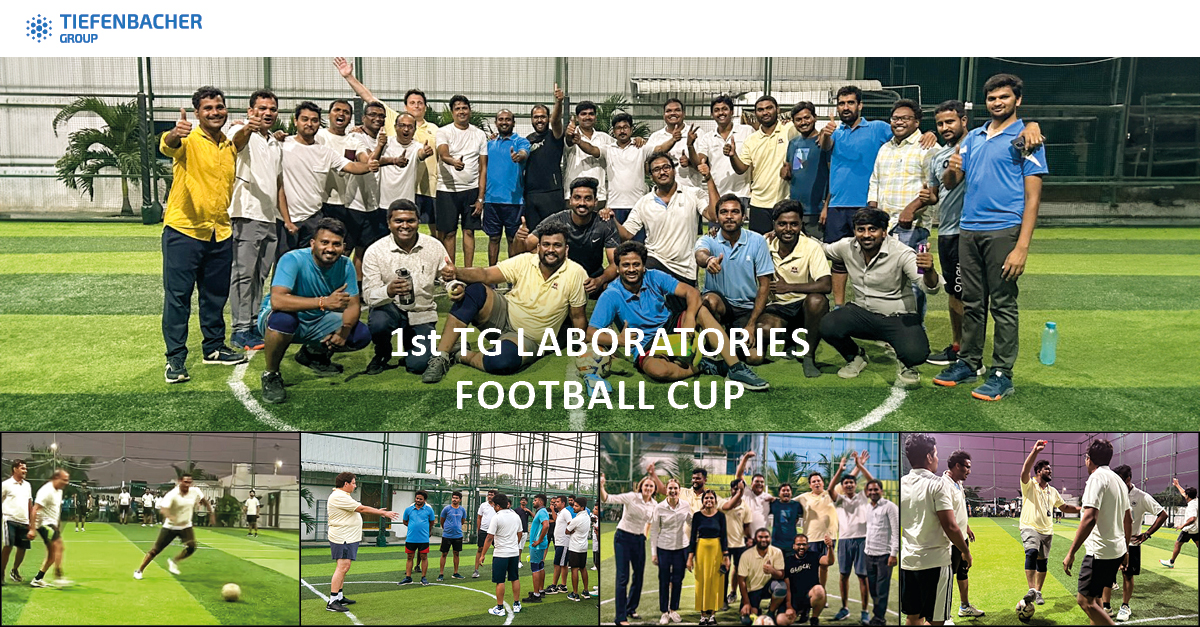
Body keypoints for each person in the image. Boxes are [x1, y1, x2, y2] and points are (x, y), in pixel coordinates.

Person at [934, 73, 1049, 401]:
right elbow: (951, 182)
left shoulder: (1028, 138)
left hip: (1004, 230)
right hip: (969, 229)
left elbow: (1034, 198)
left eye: (1004, 97)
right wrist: (953, 167)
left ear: (1018, 100)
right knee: (972, 301)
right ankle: (969, 361)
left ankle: (1002, 373)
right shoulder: (974, 138)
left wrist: (1022, 247)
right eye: (992, 98)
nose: (998, 103)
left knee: (1002, 303)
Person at [583, 240, 771, 393]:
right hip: (646, 343)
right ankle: (706, 366)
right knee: (657, 370)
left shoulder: (654, 276)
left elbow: (692, 292)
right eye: (625, 265)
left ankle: (736, 368)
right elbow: (590, 333)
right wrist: (618, 340)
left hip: (670, 327)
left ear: (643, 266)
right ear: (617, 268)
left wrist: (689, 318)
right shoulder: (611, 295)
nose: (631, 269)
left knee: (701, 311)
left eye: (636, 264)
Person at [816, 86, 938, 309]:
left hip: (867, 208)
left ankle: (894, 318)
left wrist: (930, 133)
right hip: (839, 204)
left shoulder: (878, 128)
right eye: (841, 103)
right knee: (839, 260)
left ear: (860, 105)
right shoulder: (836, 131)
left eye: (850, 102)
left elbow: (906, 132)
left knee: (884, 264)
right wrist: (825, 134)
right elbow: (826, 149)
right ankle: (840, 307)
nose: (846, 107)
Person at [160, 86, 250, 384]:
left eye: (219, 107)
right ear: (197, 113)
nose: (215, 112)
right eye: (208, 108)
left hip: (220, 232)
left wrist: (252, 127)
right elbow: (167, 145)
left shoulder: (228, 145)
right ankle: (175, 359)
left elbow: (241, 140)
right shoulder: (187, 139)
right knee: (178, 298)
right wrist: (176, 133)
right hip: (184, 231)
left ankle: (213, 348)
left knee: (214, 297)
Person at [422, 224, 588, 383]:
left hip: (529, 339)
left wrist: (582, 345)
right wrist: (457, 272)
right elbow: (486, 274)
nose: (550, 250)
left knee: (501, 362)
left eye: (557, 245)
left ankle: (459, 353)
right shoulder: (525, 261)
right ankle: (441, 356)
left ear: (566, 250)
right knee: (475, 290)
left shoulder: (576, 273)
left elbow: (577, 316)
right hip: (503, 315)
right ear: (538, 247)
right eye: (546, 244)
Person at [819, 208, 943, 387]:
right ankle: (856, 356)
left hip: (897, 317)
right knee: (828, 324)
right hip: (862, 314)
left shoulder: (902, 253)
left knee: (916, 353)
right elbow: (821, 248)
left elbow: (930, 288)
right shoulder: (847, 246)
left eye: (872, 229)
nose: (866, 235)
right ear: (855, 231)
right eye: (861, 229)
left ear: (884, 232)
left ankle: (907, 363)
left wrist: (929, 270)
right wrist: (784, 234)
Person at [257, 218, 372, 404]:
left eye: (336, 244)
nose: (330, 248)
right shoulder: (292, 259)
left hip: (318, 318)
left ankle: (312, 354)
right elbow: (278, 301)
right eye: (324, 242)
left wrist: (344, 331)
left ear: (343, 246)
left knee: (360, 334)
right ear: (313, 243)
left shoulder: (345, 264)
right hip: (279, 318)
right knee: (283, 321)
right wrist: (323, 302)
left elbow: (353, 304)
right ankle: (271, 374)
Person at [332, 58, 440, 233]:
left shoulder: (435, 129)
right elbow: (369, 99)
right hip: (387, 196)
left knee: (430, 232)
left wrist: (424, 153)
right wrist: (349, 76)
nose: (416, 106)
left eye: (420, 103)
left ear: (425, 107)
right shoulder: (392, 119)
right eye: (412, 102)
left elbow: (427, 152)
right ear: (405, 107)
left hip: (428, 189)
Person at [277, 101, 378, 257]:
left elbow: (351, 166)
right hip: (285, 219)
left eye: (314, 120)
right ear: (295, 121)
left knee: (310, 264)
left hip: (313, 218)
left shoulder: (326, 152)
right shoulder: (282, 145)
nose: (309, 124)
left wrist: (368, 166)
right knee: (283, 264)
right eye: (304, 119)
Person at [361, 200, 446, 376]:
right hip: (392, 310)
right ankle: (382, 352)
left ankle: (416, 342)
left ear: (418, 222)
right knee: (379, 322)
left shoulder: (434, 246)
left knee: (419, 366)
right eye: (399, 221)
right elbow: (369, 296)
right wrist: (388, 291)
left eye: (410, 221)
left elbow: (448, 277)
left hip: (422, 312)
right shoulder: (375, 251)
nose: (405, 226)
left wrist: (455, 286)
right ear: (389, 223)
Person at [228, 89, 282, 352]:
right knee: (243, 274)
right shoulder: (239, 131)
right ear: (250, 111)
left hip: (269, 216)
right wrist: (247, 128)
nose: (267, 113)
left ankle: (251, 323)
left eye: (272, 109)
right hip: (246, 214)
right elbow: (236, 143)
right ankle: (239, 329)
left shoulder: (273, 142)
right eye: (261, 108)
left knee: (259, 275)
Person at [616, 153, 719, 287]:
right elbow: (626, 234)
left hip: (685, 269)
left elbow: (714, 216)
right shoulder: (644, 202)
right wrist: (611, 219)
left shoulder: (693, 194)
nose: (662, 172)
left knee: (686, 307)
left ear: (674, 170)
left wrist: (709, 178)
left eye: (666, 167)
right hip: (655, 262)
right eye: (656, 170)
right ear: (651, 176)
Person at [900, 434, 971, 627]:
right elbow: (950, 526)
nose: (938, 459)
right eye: (936, 454)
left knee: (913, 617)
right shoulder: (937, 484)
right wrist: (965, 551)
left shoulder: (901, 484)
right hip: (935, 563)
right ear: (929, 457)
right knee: (937, 620)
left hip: (908, 562)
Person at [695, 195, 774, 363]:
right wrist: (709, 260)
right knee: (709, 300)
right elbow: (700, 254)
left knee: (755, 359)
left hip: (746, 308)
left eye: (735, 212)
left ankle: (726, 342)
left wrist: (751, 324)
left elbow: (764, 286)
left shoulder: (757, 241)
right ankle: (716, 339)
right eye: (724, 212)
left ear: (744, 216)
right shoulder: (709, 239)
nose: (729, 216)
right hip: (721, 305)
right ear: (717, 217)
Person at [1062, 439, 1131, 626]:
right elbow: (1128, 519)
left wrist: (1071, 553)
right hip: (1115, 552)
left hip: (1099, 553)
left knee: (1084, 601)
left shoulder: (1096, 478)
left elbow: (1089, 518)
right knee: (1096, 599)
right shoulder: (1119, 481)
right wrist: (1125, 550)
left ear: (1089, 459)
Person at [518, 177, 619, 299]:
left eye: (587, 198)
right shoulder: (557, 220)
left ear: (595, 202)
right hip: (561, 277)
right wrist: (519, 238)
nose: (582, 203)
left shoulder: (604, 223)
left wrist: (600, 280)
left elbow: (615, 263)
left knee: (619, 286)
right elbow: (526, 247)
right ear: (570, 200)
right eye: (577, 198)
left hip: (593, 278)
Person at [760, 201, 830, 377]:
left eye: (794, 224)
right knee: (764, 330)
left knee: (817, 300)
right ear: (774, 224)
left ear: (801, 225)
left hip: (802, 307)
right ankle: (788, 337)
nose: (788, 229)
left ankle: (809, 356)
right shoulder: (763, 243)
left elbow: (826, 284)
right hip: (777, 307)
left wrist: (788, 287)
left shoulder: (811, 246)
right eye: (782, 224)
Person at [925, 101, 969, 366]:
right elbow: (935, 194)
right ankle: (958, 346)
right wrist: (926, 196)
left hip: (972, 232)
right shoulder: (937, 157)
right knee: (954, 290)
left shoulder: (977, 145)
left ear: (963, 120)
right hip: (947, 232)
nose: (944, 128)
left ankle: (970, 352)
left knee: (971, 293)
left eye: (950, 122)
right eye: (940, 124)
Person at [323, 472, 400, 613]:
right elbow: (362, 509)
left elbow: (359, 508)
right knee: (342, 567)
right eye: (353, 483)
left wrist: (378, 511)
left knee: (345, 567)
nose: (355, 485)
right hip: (343, 537)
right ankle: (332, 601)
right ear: (345, 484)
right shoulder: (339, 496)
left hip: (348, 537)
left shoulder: (343, 496)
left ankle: (339, 596)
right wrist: (382, 513)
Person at [1017, 440, 1080, 607]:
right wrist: (1035, 452)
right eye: (1046, 469)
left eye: (1050, 469)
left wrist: (1083, 509)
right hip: (1029, 527)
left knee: (1042, 562)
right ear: (1038, 472)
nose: (1050, 471)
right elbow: (1025, 469)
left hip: (1047, 531)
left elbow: (1064, 506)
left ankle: (1038, 591)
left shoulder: (1053, 491)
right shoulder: (1029, 485)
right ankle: (1031, 589)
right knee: (1031, 552)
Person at [1104, 465, 1169, 621]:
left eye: (1120, 480)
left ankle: (1125, 606)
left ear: (1128, 479)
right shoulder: (1113, 493)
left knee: (1127, 575)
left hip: (1132, 544)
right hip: (1113, 542)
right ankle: (1106, 606)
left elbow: (1162, 514)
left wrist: (1147, 534)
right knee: (1107, 575)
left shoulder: (1140, 496)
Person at [728, 96, 799, 234]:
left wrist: (795, 167)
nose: (765, 112)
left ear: (777, 109)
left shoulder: (789, 129)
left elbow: (804, 146)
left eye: (769, 108)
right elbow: (741, 169)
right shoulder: (751, 140)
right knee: (760, 247)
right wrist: (733, 156)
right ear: (755, 114)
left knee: (785, 246)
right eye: (760, 110)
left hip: (784, 201)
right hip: (758, 203)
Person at [435, 95, 488, 266]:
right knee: (449, 233)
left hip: (471, 190)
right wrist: (453, 161)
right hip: (446, 190)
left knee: (469, 231)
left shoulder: (479, 135)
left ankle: (468, 271)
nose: (461, 111)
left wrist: (480, 198)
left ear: (469, 111)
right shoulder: (443, 131)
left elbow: (483, 168)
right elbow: (443, 154)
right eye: (457, 108)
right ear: (452, 112)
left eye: (464, 108)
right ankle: (451, 271)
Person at [133, 474, 214, 580]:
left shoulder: (195, 491)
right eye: (185, 482)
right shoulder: (172, 494)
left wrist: (211, 513)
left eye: (189, 482)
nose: (187, 484)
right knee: (155, 550)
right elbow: (163, 509)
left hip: (185, 526)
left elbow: (205, 501)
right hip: (170, 527)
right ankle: (139, 571)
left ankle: (174, 561)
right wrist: (170, 516)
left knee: (192, 547)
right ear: (180, 481)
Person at [603, 473, 657, 624]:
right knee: (623, 577)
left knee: (639, 576)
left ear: (654, 489)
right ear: (641, 486)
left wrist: (644, 535)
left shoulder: (654, 504)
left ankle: (631, 608)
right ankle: (620, 617)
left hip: (639, 540)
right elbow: (607, 498)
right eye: (646, 485)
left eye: (651, 486)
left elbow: (652, 522)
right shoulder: (631, 497)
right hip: (623, 538)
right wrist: (601, 486)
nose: (648, 488)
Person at [830, 451, 874, 624]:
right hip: (845, 541)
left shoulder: (863, 497)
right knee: (843, 575)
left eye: (851, 482)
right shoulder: (839, 500)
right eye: (846, 483)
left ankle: (864, 611)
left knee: (863, 577)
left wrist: (860, 466)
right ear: (843, 486)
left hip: (862, 540)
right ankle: (844, 608)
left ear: (855, 485)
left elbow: (872, 483)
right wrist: (840, 470)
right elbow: (829, 489)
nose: (849, 485)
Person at [484, 110, 530, 266]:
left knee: (513, 239)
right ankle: (491, 277)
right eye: (501, 119)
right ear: (496, 122)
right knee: (493, 238)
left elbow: (524, 153)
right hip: (491, 200)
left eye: (508, 119)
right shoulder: (489, 144)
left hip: (514, 201)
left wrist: (519, 156)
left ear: (513, 122)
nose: (504, 122)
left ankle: (511, 277)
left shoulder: (521, 142)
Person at [689, 95, 753, 208]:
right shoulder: (708, 137)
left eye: (724, 109)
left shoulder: (747, 131)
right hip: (717, 194)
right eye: (716, 110)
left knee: (741, 226)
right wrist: (690, 146)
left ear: (732, 112)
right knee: (715, 226)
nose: (721, 113)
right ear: (712, 114)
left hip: (742, 194)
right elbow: (700, 162)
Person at [943, 451, 984, 618]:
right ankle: (945, 615)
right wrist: (964, 550)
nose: (969, 471)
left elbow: (958, 510)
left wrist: (966, 527)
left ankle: (964, 607)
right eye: (967, 467)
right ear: (957, 466)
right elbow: (947, 517)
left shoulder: (958, 483)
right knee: (946, 579)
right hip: (951, 541)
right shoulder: (943, 485)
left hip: (962, 537)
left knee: (962, 573)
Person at [781, 102, 828, 240]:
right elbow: (796, 169)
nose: (803, 122)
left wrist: (826, 207)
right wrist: (785, 174)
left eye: (807, 118)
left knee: (819, 253)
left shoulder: (824, 142)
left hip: (817, 211)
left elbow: (832, 176)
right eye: (798, 119)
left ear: (815, 117)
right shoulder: (794, 143)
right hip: (796, 210)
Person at [523, 85, 567, 230]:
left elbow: (556, 121)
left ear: (548, 118)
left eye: (543, 116)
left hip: (552, 193)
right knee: (533, 235)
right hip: (531, 195)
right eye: (536, 117)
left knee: (555, 233)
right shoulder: (527, 140)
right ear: (531, 120)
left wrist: (559, 102)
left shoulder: (555, 135)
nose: (539, 120)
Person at [651, 478, 690, 625]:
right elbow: (654, 531)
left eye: (675, 488)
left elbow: (691, 521)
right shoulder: (659, 508)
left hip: (681, 548)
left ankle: (673, 610)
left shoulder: (685, 505)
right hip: (664, 548)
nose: (673, 491)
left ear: (679, 490)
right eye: (670, 489)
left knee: (678, 581)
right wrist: (654, 553)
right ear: (666, 490)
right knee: (664, 581)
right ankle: (664, 612)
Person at [687, 490, 728, 625]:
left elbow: (724, 537)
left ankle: (712, 614)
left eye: (711, 498)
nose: (709, 500)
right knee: (702, 581)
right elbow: (693, 536)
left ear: (715, 500)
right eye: (706, 498)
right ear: (703, 500)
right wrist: (690, 556)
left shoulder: (721, 516)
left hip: (717, 550)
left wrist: (725, 556)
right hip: (701, 550)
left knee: (715, 581)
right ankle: (703, 614)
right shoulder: (698, 516)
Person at [376, 112, 431, 212]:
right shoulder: (385, 143)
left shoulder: (417, 146)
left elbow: (420, 154)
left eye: (410, 127)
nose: (406, 129)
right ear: (395, 127)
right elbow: (372, 160)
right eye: (402, 125)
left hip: (407, 204)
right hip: (383, 203)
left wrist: (425, 153)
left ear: (415, 130)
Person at [777, 534, 835, 627]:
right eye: (798, 544)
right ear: (793, 546)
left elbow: (829, 561)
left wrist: (830, 547)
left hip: (809, 596)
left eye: (804, 544)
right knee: (781, 621)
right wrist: (789, 607)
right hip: (794, 599)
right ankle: (801, 611)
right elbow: (786, 585)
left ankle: (814, 619)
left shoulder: (814, 556)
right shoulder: (787, 561)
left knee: (820, 590)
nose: (801, 547)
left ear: (808, 545)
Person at [480, 493, 523, 616]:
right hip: (513, 553)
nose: (493, 507)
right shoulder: (516, 516)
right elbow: (520, 533)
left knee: (500, 581)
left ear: (498, 506)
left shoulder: (497, 517)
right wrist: (515, 544)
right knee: (514, 578)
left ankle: (499, 608)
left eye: (494, 505)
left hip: (501, 553)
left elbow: (489, 537)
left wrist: (482, 555)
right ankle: (516, 604)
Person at [563, 101, 612, 207]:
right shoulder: (571, 134)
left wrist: (637, 140)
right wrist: (569, 136)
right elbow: (569, 141)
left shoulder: (605, 138)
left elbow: (621, 145)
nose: (587, 117)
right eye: (583, 114)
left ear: (595, 117)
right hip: (573, 194)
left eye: (591, 114)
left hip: (598, 195)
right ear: (577, 118)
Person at [863, 479, 899, 627]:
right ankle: (877, 615)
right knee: (873, 588)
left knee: (881, 589)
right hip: (869, 554)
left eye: (875, 490)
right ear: (867, 492)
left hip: (884, 555)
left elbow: (896, 530)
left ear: (881, 491)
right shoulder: (868, 508)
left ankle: (880, 619)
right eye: (870, 490)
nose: (872, 492)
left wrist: (893, 554)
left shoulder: (890, 507)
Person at [28, 469, 71, 588]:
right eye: (64, 479)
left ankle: (37, 579)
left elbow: (55, 509)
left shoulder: (59, 491)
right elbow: (34, 509)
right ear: (56, 478)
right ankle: (59, 576)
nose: (66, 482)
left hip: (52, 524)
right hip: (44, 524)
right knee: (59, 547)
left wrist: (57, 524)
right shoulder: (46, 491)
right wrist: (32, 529)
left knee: (52, 555)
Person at [648, 99, 703, 189]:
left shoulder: (697, 133)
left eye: (677, 110)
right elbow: (648, 166)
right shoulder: (655, 137)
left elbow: (702, 165)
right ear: (664, 115)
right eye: (668, 111)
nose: (673, 113)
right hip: (663, 192)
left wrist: (689, 162)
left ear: (684, 114)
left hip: (691, 190)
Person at [737, 528, 788, 623]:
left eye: (766, 537)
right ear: (755, 539)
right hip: (752, 590)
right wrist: (746, 603)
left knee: (781, 587)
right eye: (760, 537)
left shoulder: (777, 552)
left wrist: (772, 570)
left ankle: (771, 613)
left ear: (770, 538)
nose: (764, 539)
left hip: (768, 587)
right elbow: (741, 580)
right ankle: (755, 608)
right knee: (747, 621)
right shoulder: (746, 555)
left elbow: (781, 575)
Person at [797, 473, 838, 588]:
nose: (816, 483)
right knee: (810, 567)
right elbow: (787, 503)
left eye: (818, 480)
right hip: (810, 538)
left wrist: (857, 466)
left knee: (824, 567)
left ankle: (821, 592)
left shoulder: (830, 494)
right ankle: (810, 592)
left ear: (823, 482)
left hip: (828, 538)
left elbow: (846, 480)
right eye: (814, 481)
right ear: (810, 485)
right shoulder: (803, 497)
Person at [722, 480, 753, 610]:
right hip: (724, 546)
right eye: (734, 489)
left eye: (739, 489)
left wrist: (749, 538)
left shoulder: (745, 507)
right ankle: (723, 600)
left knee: (742, 574)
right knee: (724, 574)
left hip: (740, 545)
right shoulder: (724, 503)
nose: (736, 491)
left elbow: (746, 526)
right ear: (730, 490)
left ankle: (744, 601)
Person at [2, 459, 32, 585]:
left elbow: (30, 503)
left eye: (25, 468)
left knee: (22, 547)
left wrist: (31, 521)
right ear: (15, 469)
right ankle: (1, 573)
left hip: (24, 521)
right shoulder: (6, 484)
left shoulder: (27, 485)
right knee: (8, 546)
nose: (25, 471)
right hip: (9, 519)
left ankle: (15, 570)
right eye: (22, 468)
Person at [400, 489, 436, 586]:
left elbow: (431, 522)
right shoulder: (409, 509)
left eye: (420, 499)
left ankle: (423, 578)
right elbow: (405, 521)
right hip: (411, 538)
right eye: (417, 498)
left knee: (424, 557)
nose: (418, 500)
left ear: (424, 500)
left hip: (423, 539)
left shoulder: (429, 510)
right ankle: (408, 577)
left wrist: (425, 530)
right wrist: (413, 527)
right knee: (409, 557)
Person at [1160, 478, 1198, 569]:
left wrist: (1182, 525)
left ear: (1188, 496)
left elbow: (1193, 518)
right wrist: (1177, 485)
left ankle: (1171, 562)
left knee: (1178, 544)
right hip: (1196, 529)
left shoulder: (1192, 506)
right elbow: (1183, 493)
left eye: (1186, 494)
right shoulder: (1196, 500)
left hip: (1189, 529)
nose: (1184, 495)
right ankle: (1171, 561)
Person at [525, 494, 552, 603]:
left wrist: (539, 540)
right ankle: (540, 590)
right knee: (540, 566)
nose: (533, 502)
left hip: (537, 545)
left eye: (535, 500)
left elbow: (546, 525)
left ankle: (536, 595)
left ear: (540, 502)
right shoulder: (542, 512)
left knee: (535, 568)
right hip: (540, 544)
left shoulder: (542, 512)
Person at [566, 496, 592, 601]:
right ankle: (586, 591)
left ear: (582, 507)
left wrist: (571, 530)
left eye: (576, 506)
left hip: (575, 547)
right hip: (584, 547)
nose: (574, 507)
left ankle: (575, 593)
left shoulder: (577, 519)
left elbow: (567, 531)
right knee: (583, 568)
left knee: (574, 569)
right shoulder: (587, 516)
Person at [437, 490, 467, 581]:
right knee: (444, 554)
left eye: (456, 498)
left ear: (460, 500)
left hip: (458, 535)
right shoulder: (446, 509)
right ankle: (441, 573)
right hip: (447, 535)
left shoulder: (462, 510)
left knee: (456, 554)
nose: (454, 499)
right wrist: (445, 528)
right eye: (453, 498)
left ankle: (455, 573)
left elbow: (462, 521)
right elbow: (442, 520)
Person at [550, 495, 574, 596]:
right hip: (559, 542)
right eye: (555, 502)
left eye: (558, 502)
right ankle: (563, 586)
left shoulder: (565, 512)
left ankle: (553, 586)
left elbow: (571, 524)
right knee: (563, 564)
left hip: (563, 543)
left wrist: (567, 534)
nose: (556, 503)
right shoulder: (560, 513)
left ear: (563, 503)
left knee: (558, 564)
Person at [770, 483, 803, 556]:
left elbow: (799, 516)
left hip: (791, 543)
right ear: (779, 494)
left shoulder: (796, 505)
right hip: (776, 543)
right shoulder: (774, 504)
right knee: (776, 566)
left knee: (790, 566)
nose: (786, 492)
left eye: (788, 490)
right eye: (783, 490)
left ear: (791, 493)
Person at [473, 489, 497, 578]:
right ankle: (476, 570)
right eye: (489, 494)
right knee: (480, 549)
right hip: (484, 530)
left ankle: (496, 568)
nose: (489, 496)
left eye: (491, 495)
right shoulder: (483, 505)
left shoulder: (497, 506)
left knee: (497, 549)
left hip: (495, 532)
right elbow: (479, 517)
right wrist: (478, 529)